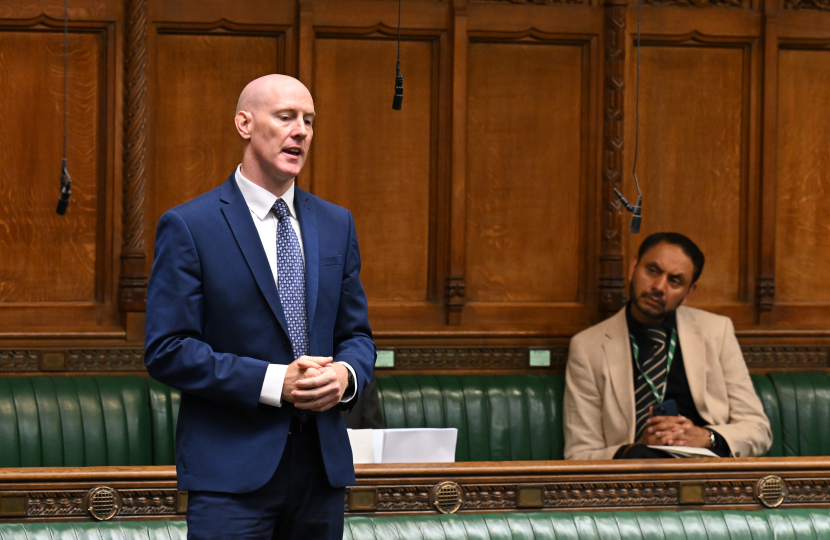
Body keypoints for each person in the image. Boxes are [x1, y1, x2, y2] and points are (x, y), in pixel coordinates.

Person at [144, 74, 375, 539]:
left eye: (309, 121)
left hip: (321, 471)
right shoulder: (190, 226)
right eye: (286, 117)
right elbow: (167, 349)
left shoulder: (336, 224)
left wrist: (346, 376)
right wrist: (276, 382)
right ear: (244, 124)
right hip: (230, 476)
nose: (302, 131)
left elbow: (357, 336)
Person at [564, 232, 771, 460]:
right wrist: (636, 448)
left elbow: (759, 430)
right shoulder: (588, 347)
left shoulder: (716, 331)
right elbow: (580, 454)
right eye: (652, 271)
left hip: (706, 470)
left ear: (688, 292)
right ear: (633, 267)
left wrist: (707, 437)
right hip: (635, 475)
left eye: (675, 281)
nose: (659, 287)